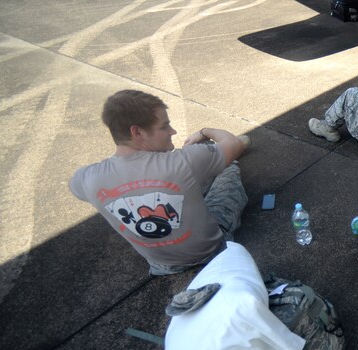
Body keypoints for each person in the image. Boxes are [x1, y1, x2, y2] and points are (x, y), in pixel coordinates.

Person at [69, 89, 250, 275]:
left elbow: (74, 187)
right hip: (213, 251)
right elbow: (232, 142)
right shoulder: (184, 161)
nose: (173, 131)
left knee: (192, 174)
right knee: (226, 167)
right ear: (137, 132)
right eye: (165, 127)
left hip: (162, 266)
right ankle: (219, 158)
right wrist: (204, 131)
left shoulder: (87, 178)